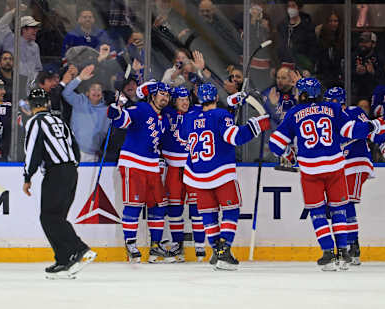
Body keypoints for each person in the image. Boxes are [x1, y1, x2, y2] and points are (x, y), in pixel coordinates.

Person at [268, 77, 385, 271]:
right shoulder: (333, 109)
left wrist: (288, 154)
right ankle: (343, 252)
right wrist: (372, 126)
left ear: (304, 94)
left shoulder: (293, 113)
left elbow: (274, 144)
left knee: (318, 212)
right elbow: (351, 131)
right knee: (339, 209)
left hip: (310, 171)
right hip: (335, 167)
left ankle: (328, 253)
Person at [179, 83, 270, 270]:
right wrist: (257, 125)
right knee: (231, 210)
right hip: (220, 172)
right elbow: (235, 138)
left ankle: (215, 250)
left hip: (196, 174)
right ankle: (224, 250)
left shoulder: (189, 118)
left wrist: (228, 113)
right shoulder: (221, 115)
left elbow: (184, 136)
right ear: (215, 98)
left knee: (208, 213)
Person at [22, 88, 96, 279]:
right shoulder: (59, 121)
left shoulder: (35, 122)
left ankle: (79, 249)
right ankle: (63, 259)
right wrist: (71, 167)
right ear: (47, 103)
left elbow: (32, 151)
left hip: (56, 173)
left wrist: (27, 177)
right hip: (71, 171)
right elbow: (74, 146)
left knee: (49, 217)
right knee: (56, 217)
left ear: (31, 104)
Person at [324, 87, 385, 265]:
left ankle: (352, 245)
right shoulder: (325, 120)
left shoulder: (354, 112)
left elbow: (371, 131)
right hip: (339, 167)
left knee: (346, 201)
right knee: (340, 204)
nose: (329, 105)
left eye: (333, 102)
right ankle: (352, 245)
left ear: (340, 102)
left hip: (357, 162)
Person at [107, 81, 171, 263]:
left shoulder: (164, 118)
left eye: (167, 95)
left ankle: (155, 247)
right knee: (133, 205)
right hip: (133, 163)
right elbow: (122, 119)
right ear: (152, 95)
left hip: (152, 166)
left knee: (158, 206)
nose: (165, 98)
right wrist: (115, 111)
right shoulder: (142, 108)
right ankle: (131, 244)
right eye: (161, 94)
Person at [161, 86, 206, 262]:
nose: (185, 102)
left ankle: (200, 248)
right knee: (174, 210)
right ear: (174, 100)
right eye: (181, 99)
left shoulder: (197, 111)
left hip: (193, 167)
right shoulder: (167, 113)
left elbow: (213, 107)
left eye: (187, 98)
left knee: (197, 209)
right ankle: (177, 247)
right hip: (173, 168)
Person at [61, 65, 110, 162]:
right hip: (75, 151)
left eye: (99, 89)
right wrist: (79, 78)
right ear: (87, 92)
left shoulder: (107, 109)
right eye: (93, 89)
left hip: (94, 154)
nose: (96, 91)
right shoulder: (80, 101)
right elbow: (66, 93)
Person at [0, 10, 42, 85]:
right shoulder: (11, 40)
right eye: (33, 28)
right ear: (24, 29)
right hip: (12, 85)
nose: (36, 30)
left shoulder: (35, 46)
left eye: (36, 28)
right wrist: (14, 11)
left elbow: (38, 68)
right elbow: (1, 25)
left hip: (28, 86)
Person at [276, 0, 317, 74]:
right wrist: (275, 66)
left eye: (293, 6)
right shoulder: (282, 26)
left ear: (299, 8)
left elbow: (313, 49)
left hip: (301, 67)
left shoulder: (307, 27)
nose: (290, 9)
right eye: (289, 6)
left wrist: (308, 68)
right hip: (283, 68)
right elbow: (277, 47)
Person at [315, 10, 344, 88]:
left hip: (340, 78)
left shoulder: (343, 38)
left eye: (335, 21)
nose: (333, 23)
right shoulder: (321, 38)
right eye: (330, 21)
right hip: (324, 78)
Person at [352, 31, 382, 102]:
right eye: (361, 42)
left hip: (373, 92)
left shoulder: (380, 57)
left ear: (373, 44)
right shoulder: (353, 56)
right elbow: (345, 73)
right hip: (356, 93)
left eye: (366, 42)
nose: (363, 44)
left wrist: (373, 72)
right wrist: (356, 72)